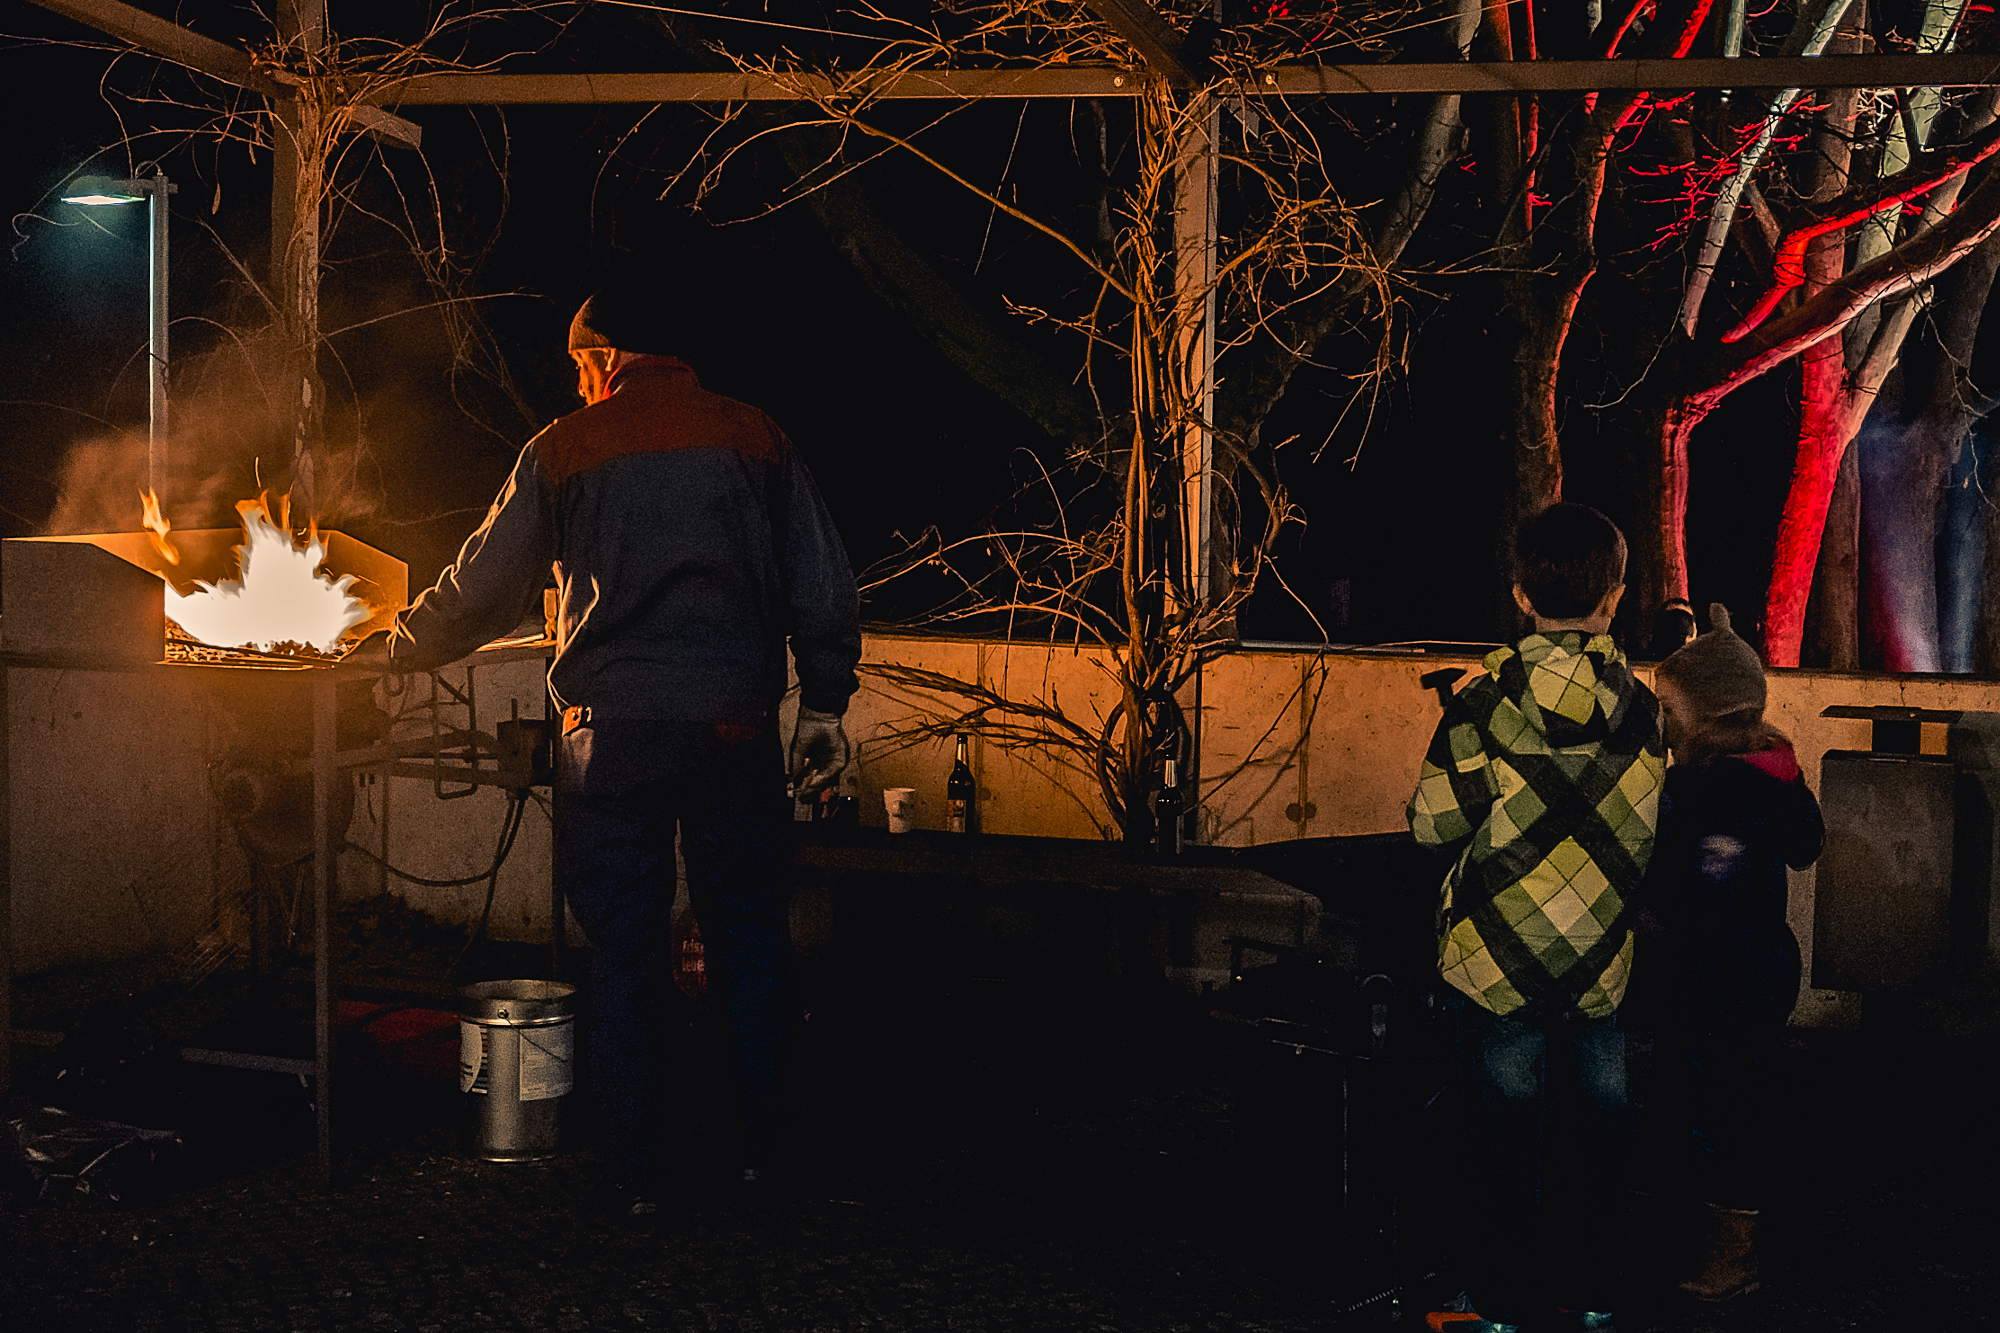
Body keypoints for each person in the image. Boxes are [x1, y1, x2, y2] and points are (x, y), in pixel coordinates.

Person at [383, 280, 862, 1216]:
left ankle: (638, 1166)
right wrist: (825, 706)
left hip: (612, 742)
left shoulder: (563, 449)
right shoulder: (754, 436)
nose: (580, 382)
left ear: (603, 358)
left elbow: (483, 588)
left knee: (624, 948)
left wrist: (398, 645)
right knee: (750, 934)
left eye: (578, 366)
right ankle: (764, 1154)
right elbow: (821, 578)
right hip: (731, 729)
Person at [1406, 503, 1666, 1333]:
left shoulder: (1484, 705)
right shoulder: (1646, 709)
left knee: (1497, 1136)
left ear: (1520, 594)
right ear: (1616, 596)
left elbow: (1431, 826)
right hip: (1599, 961)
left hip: (1498, 956)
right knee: (1599, 1129)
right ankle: (1593, 1292)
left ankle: (1494, 1302)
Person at [1646, 604, 1822, 1302]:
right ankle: (1734, 1240)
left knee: (1712, 1106)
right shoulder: (1776, 776)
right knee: (1737, 1102)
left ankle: (1730, 1253)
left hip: (1710, 975)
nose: (1660, 718)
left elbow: (1662, 873)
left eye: (1668, 705)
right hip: (1764, 970)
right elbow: (1806, 846)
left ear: (1703, 710)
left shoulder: (1697, 785)